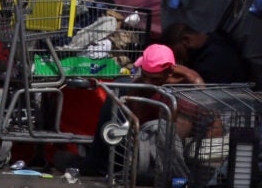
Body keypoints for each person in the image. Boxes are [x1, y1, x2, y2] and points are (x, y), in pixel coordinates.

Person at [53, 44, 204, 177]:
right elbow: (134, 121)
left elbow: (206, 113)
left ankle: (101, 164)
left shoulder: (190, 81)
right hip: (148, 132)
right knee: (116, 93)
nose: (147, 82)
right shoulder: (140, 85)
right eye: (145, 75)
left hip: (175, 136)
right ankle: (99, 162)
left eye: (154, 79)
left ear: (169, 71)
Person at [161, 22, 249, 84]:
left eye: (179, 55)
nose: (179, 60)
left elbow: (204, 90)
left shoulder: (217, 56)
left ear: (186, 40)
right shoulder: (206, 49)